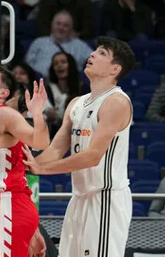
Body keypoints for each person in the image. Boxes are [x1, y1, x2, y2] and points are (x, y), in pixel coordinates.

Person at [23, 37, 135, 257]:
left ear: (115, 69)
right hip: (79, 198)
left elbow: (92, 156)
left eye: (102, 53)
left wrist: (41, 170)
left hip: (105, 198)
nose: (92, 54)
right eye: (95, 51)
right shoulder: (76, 103)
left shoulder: (117, 102)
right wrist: (26, 166)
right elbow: (55, 150)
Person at [0, 65, 51, 257]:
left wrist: (38, 114)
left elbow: (41, 142)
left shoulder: (3, 114)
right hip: (0, 208)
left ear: (3, 93)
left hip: (8, 205)